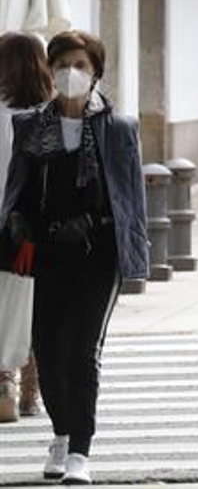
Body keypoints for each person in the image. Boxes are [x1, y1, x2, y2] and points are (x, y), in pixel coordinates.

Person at [0, 31, 149, 485]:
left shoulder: (119, 128)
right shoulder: (29, 124)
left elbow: (131, 199)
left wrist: (129, 250)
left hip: (97, 253)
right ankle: (61, 434)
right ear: (49, 68)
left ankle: (81, 451)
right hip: (47, 252)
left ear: (96, 72)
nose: (72, 73)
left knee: (82, 353)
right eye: (63, 63)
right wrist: (18, 223)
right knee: (47, 349)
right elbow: (19, 189)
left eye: (82, 65)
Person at [0, 33, 51, 424]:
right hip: (40, 227)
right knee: (38, 303)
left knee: (5, 304)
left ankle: (5, 384)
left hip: (4, 223)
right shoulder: (53, 116)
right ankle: (33, 391)